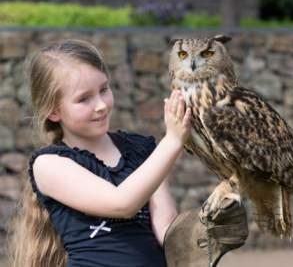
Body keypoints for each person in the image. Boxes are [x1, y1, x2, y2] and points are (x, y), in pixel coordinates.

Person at [9, 39, 191, 267]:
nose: (101, 105)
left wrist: (204, 232)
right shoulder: (49, 164)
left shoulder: (141, 150)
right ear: (54, 111)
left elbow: (166, 229)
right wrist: (173, 140)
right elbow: (122, 204)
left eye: (104, 89)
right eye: (84, 99)